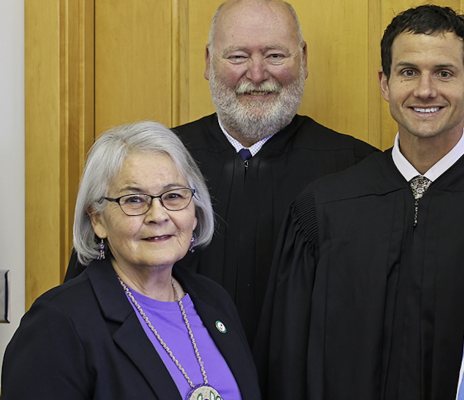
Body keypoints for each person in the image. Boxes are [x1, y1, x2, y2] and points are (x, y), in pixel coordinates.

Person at [254, 5, 464, 400]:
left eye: (444, 73)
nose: (425, 90)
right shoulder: (323, 210)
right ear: (385, 84)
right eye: (408, 72)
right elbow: (287, 363)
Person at [64, 0, 378, 346]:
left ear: (303, 59)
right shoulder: (151, 165)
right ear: (208, 61)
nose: (257, 74)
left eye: (275, 55)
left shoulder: (357, 170)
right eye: (238, 56)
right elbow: (84, 305)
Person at [2, 122, 261, 400]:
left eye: (173, 196)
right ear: (98, 219)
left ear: (195, 212)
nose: (158, 215)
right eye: (134, 200)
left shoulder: (214, 300)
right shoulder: (57, 324)